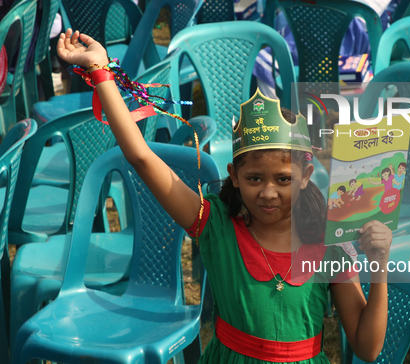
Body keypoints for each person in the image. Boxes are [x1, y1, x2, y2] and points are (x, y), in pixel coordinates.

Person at [57, 29, 392, 363]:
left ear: (305, 177)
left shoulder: (329, 243)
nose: (268, 192)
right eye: (255, 178)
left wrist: (379, 268)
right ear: (234, 176)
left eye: (284, 179)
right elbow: (141, 156)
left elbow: (367, 347)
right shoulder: (214, 224)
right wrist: (100, 70)